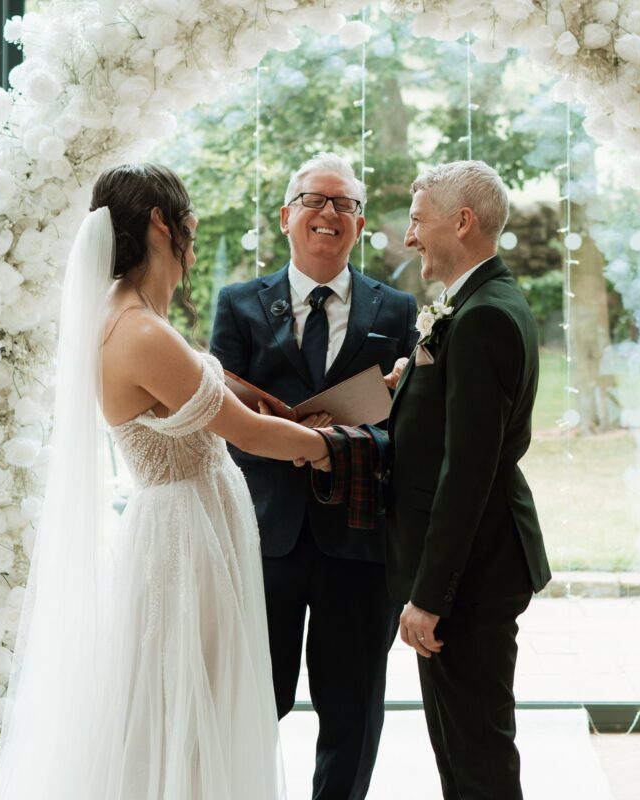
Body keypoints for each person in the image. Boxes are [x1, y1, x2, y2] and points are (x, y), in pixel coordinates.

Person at [0, 164, 330, 799]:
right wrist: (338, 449)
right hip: (185, 536)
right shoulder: (140, 330)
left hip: (191, 524)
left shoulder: (129, 315)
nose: (192, 236)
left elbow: (209, 388)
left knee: (187, 698)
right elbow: (245, 434)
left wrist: (278, 407)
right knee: (182, 702)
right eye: (187, 220)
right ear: (157, 222)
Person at [210, 153, 418, 800]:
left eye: (345, 205)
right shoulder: (240, 305)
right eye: (314, 200)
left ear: (358, 227)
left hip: (358, 541)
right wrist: (297, 441)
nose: (329, 213)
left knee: (352, 707)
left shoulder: (399, 309)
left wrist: (343, 442)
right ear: (286, 217)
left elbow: (406, 428)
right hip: (265, 535)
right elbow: (220, 416)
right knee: (251, 699)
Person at [387, 161, 552, 799]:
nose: (408, 237)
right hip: (476, 567)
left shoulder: (482, 315)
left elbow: (468, 471)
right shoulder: (483, 302)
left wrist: (429, 596)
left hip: (472, 576)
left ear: (462, 221)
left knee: (476, 757)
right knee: (460, 752)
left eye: (417, 220)